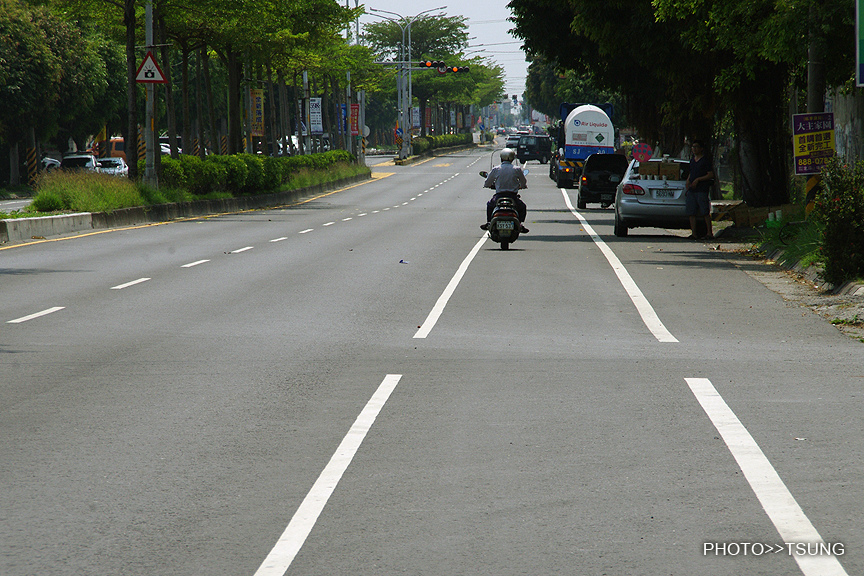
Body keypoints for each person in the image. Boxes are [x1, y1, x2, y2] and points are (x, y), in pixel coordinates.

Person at [481, 148, 529, 233]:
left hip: (499, 196)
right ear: (512, 158)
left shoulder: (496, 169)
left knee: (489, 205)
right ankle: (520, 224)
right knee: (522, 207)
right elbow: (523, 181)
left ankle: (489, 223)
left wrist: (488, 185)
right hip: (512, 197)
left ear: (501, 158)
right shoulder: (516, 169)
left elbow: (488, 181)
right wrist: (522, 186)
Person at [685, 139, 714, 239]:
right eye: (693, 147)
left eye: (696, 147)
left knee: (705, 211)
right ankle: (694, 233)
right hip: (692, 190)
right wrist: (688, 180)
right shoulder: (692, 160)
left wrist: (698, 180)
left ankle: (709, 233)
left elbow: (710, 175)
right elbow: (691, 172)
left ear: (701, 148)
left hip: (702, 189)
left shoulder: (705, 161)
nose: (694, 149)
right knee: (691, 212)